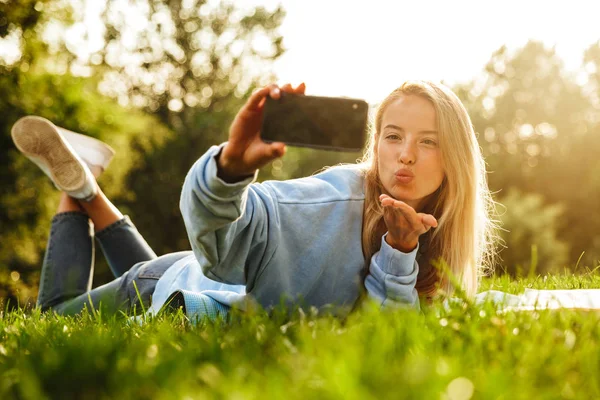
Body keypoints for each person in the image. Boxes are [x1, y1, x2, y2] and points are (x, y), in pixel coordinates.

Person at [11, 81, 497, 320]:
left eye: (428, 141)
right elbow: (242, 234)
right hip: (188, 281)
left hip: (186, 271)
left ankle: (88, 183)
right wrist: (230, 172)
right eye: (393, 136)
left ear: (454, 155)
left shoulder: (442, 232)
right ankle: (78, 190)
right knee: (54, 314)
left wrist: (399, 249)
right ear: (377, 143)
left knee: (149, 270)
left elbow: (386, 333)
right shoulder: (332, 200)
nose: (406, 155)